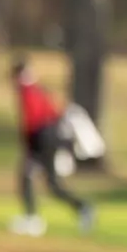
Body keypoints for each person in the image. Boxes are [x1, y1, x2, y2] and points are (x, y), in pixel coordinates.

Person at [10, 57, 93, 236]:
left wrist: (31, 147)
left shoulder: (28, 91)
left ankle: (33, 220)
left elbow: (33, 122)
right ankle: (81, 207)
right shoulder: (37, 89)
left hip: (44, 141)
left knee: (29, 177)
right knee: (50, 184)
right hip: (49, 140)